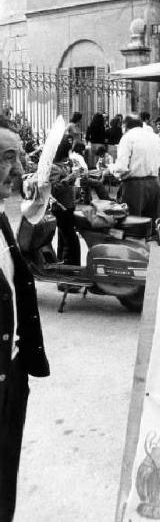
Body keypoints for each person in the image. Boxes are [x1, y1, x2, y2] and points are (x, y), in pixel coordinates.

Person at [0, 121, 50, 521]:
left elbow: (12, 270)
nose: (19, 168)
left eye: (18, 156)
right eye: (6, 158)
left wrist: (30, 217)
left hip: (12, 372)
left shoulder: (1, 214)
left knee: (4, 478)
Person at [111, 114, 160, 222]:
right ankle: (153, 238)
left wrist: (111, 169)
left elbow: (121, 167)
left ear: (125, 126)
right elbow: (159, 162)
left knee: (133, 224)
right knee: (153, 224)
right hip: (155, 184)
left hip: (135, 186)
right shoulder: (154, 137)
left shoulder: (128, 137)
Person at [49, 138, 81, 266]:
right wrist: (69, 179)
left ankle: (63, 264)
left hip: (69, 205)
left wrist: (73, 176)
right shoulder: (54, 167)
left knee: (64, 239)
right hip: (61, 207)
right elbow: (53, 189)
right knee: (71, 240)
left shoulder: (65, 164)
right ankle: (70, 266)